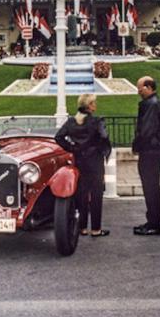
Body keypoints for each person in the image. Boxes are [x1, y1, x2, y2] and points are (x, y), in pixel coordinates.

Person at [55, 93, 112, 237]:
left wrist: (73, 148)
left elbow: (58, 137)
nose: (96, 105)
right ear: (90, 105)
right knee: (96, 194)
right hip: (95, 160)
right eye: (94, 103)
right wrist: (101, 149)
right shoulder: (97, 121)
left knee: (81, 193)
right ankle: (96, 229)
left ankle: (82, 227)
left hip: (79, 159)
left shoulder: (72, 122)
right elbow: (104, 137)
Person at [133, 76, 160, 236]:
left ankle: (153, 224)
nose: (138, 91)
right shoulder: (154, 103)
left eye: (140, 88)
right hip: (153, 151)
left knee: (151, 188)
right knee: (151, 188)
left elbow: (146, 131)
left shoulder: (151, 105)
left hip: (150, 152)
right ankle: (152, 222)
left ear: (148, 87)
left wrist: (137, 146)